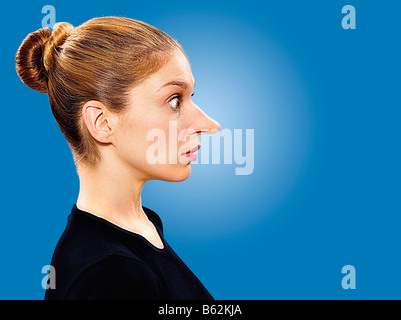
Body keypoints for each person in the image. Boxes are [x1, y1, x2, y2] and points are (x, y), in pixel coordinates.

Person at [15, 16, 221, 300]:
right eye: (175, 100)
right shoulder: (110, 275)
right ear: (102, 123)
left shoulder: (142, 229)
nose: (209, 124)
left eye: (190, 96)